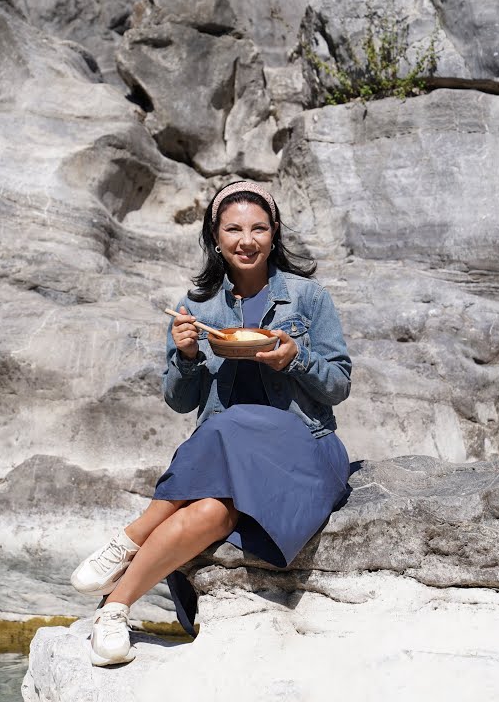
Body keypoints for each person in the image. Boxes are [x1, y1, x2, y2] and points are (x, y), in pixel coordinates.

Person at [69, 179, 353, 666]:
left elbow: (339, 386)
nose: (248, 240)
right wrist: (184, 357)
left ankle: (132, 536)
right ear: (215, 237)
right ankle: (114, 608)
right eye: (235, 229)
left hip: (302, 450)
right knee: (210, 514)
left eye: (259, 228)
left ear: (274, 232)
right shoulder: (196, 308)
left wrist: (293, 359)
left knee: (232, 423)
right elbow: (179, 402)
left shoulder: (308, 297)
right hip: (227, 466)